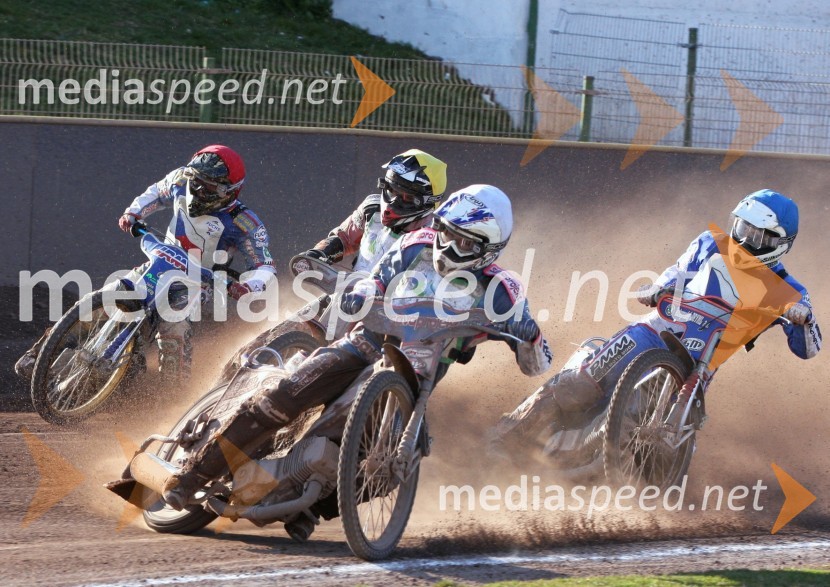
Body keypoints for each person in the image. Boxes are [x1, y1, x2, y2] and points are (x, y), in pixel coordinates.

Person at [161, 184, 554, 528]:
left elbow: (539, 365)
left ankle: (306, 509)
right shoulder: (415, 244)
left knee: (389, 469)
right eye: (448, 233)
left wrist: (529, 336)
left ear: (489, 250)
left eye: (465, 243)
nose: (450, 246)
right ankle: (191, 477)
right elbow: (375, 277)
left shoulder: (504, 291)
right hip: (366, 342)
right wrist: (364, 290)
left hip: (418, 376)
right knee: (284, 396)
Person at [490, 188, 822, 453]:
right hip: (655, 332)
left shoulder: (789, 290)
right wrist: (660, 287)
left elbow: (808, 349)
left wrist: (802, 319)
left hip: (699, 365)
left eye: (757, 235)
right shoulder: (711, 243)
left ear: (779, 244)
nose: (744, 239)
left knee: (662, 438)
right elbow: (678, 270)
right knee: (577, 384)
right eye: (741, 228)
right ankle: (505, 439)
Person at [116, 144, 276, 379]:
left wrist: (249, 287)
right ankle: (60, 345)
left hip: (197, 281)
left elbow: (264, 266)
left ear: (228, 191)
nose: (197, 188)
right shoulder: (181, 179)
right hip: (162, 259)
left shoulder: (244, 222)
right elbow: (157, 193)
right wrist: (133, 213)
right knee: (117, 295)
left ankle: (171, 390)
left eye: (207, 185)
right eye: (195, 179)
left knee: (173, 325)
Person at [300, 148, 448, 272]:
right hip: (353, 295)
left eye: (406, 197)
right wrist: (319, 253)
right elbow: (344, 239)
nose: (393, 201)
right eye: (391, 189)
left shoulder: (438, 236)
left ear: (427, 202)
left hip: (401, 303)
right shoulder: (372, 208)